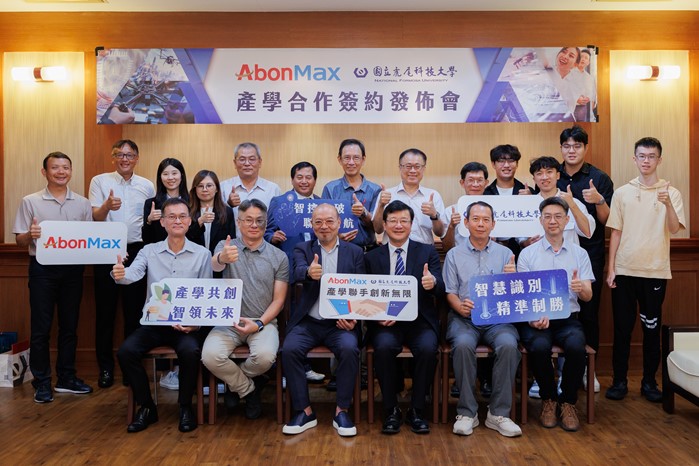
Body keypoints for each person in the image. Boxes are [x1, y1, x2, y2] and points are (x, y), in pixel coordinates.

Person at [114, 198, 213, 433]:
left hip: (186, 325)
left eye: (182, 216)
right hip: (155, 323)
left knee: (190, 351)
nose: (177, 220)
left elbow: (206, 293)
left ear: (189, 221)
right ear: (163, 222)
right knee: (126, 352)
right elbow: (132, 274)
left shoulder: (202, 254)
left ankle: (185, 406)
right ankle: (147, 407)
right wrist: (119, 273)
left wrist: (195, 324)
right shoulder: (149, 251)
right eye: (171, 216)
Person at [605, 137, 685, 403]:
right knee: (622, 329)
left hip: (655, 271)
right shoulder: (622, 193)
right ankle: (619, 381)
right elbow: (616, 232)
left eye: (652, 156)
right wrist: (611, 268)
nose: (646, 161)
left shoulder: (671, 193)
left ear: (659, 160)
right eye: (642, 156)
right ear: (634, 159)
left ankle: (650, 382)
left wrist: (668, 204)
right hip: (625, 270)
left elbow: (674, 229)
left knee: (652, 329)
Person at [13, 152, 94, 403]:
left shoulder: (82, 203)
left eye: (65, 167)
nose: (61, 172)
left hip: (73, 270)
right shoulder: (30, 201)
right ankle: (42, 382)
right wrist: (31, 234)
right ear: (44, 172)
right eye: (55, 167)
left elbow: (89, 238)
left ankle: (66, 378)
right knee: (41, 328)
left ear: (71, 171)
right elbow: (20, 240)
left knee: (69, 326)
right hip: (42, 270)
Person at [281, 204, 365, 437]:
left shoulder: (355, 252)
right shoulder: (303, 248)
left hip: (340, 323)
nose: (324, 226)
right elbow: (297, 271)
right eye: (318, 222)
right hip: (309, 321)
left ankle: (342, 410)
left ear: (339, 223)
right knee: (289, 349)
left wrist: (353, 317)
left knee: (349, 349)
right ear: (311, 225)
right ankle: (304, 411)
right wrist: (309, 272)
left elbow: (362, 289)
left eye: (329, 221)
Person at [202, 199, 289, 419]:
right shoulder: (226, 246)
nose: (254, 225)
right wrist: (222, 257)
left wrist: (258, 323)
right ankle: (249, 389)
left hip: (263, 322)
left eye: (259, 220)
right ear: (239, 222)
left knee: (265, 357)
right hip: (228, 322)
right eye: (248, 220)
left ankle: (236, 384)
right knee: (210, 356)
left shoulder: (279, 256)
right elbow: (215, 264)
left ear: (266, 223)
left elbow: (279, 300)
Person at [365, 200, 444, 435]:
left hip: (420, 321)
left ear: (411, 224)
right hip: (385, 322)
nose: (398, 225)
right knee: (383, 347)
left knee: (428, 349)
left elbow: (442, 288)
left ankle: (417, 409)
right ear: (384, 224)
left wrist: (433, 283)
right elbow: (363, 295)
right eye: (393, 221)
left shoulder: (427, 251)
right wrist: (377, 317)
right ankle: (391, 409)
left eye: (403, 221)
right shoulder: (372, 256)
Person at [445, 201, 522, 437]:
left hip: (498, 319)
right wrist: (460, 307)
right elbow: (450, 292)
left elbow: (515, 294)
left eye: (486, 220)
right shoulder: (453, 254)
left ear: (493, 224)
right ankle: (467, 412)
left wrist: (513, 278)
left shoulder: (506, 254)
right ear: (466, 222)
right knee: (463, 345)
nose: (481, 224)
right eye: (475, 219)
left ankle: (498, 413)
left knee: (508, 345)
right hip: (464, 318)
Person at [517, 197, 594, 432]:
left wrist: (581, 288)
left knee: (576, 347)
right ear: (540, 220)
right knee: (539, 347)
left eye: (558, 216)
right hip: (536, 319)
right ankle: (549, 399)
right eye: (548, 217)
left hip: (567, 318)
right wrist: (532, 319)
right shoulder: (527, 254)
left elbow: (588, 296)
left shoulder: (579, 254)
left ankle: (568, 401)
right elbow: (523, 296)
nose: (553, 221)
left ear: (567, 220)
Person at [89, 139, 155, 389]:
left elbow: (149, 221)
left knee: (134, 312)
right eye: (120, 154)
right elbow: (95, 216)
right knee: (105, 313)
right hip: (105, 249)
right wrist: (107, 206)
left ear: (137, 158)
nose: (124, 159)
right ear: (113, 157)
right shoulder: (99, 181)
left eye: (129, 155)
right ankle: (105, 369)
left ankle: (131, 368)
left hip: (137, 250)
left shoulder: (147, 185)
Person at [557, 125, 614, 393]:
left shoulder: (599, 178)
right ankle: (559, 372)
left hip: (589, 254)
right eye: (567, 146)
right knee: (557, 311)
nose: (572, 150)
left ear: (585, 148)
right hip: (556, 256)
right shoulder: (552, 175)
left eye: (577, 146)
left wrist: (599, 200)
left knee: (589, 313)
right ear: (561, 148)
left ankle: (588, 371)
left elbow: (607, 221)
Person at [373, 148, 447, 245]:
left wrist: (434, 215)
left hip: (423, 250)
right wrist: (381, 205)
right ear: (400, 168)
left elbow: (440, 233)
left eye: (417, 166)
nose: (412, 170)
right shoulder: (386, 195)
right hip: (393, 251)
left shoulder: (433, 196)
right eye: (408, 166)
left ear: (424, 169)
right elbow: (378, 230)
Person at [321, 139, 382, 251]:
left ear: (363, 160)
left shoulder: (375, 190)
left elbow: (378, 227)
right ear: (339, 160)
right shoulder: (330, 189)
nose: (351, 162)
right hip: (339, 251)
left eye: (356, 158)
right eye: (347, 158)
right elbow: (322, 223)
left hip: (368, 251)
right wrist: (336, 236)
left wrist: (363, 213)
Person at [522, 156, 594, 249]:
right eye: (539, 173)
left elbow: (588, 232)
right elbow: (520, 239)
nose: (545, 177)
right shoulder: (528, 204)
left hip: (568, 256)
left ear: (558, 175)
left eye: (549, 172)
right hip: (537, 256)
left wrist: (572, 205)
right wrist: (526, 243)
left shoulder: (573, 202)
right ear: (534, 179)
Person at [483, 144, 533, 257]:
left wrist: (531, 202)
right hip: (491, 252)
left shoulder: (528, 192)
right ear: (493, 164)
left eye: (511, 161)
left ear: (517, 164)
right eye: (501, 161)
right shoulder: (485, 194)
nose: (506, 165)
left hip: (523, 253)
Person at [266, 161, 320, 262]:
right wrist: (272, 237)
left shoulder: (321, 204)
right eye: (299, 177)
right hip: (289, 260)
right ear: (292, 180)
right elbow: (267, 233)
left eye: (308, 177)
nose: (304, 181)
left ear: (315, 180)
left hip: (317, 260)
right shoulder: (279, 202)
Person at [219, 142, 281, 221]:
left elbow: (278, 220)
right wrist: (228, 205)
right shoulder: (223, 187)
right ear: (235, 163)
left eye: (252, 159)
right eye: (242, 159)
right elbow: (217, 220)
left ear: (260, 162)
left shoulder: (273, 189)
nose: (247, 163)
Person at [187, 169, 236, 257]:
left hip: (219, 260)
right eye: (200, 186)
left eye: (209, 185)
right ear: (195, 189)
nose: (205, 189)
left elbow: (231, 240)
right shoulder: (187, 211)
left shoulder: (227, 211)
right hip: (194, 260)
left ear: (217, 188)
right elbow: (185, 238)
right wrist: (200, 222)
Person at [442, 162, 489, 252]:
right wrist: (451, 226)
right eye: (471, 180)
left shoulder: (495, 209)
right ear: (462, 183)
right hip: (460, 257)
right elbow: (446, 248)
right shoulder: (450, 211)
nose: (475, 184)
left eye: (479, 180)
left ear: (486, 183)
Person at [142, 158, 189, 245]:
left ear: (181, 175)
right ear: (160, 177)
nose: (170, 178)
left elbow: (196, 235)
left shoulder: (192, 202)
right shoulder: (151, 203)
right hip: (159, 251)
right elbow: (146, 239)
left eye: (174, 173)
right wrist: (149, 220)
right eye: (165, 174)